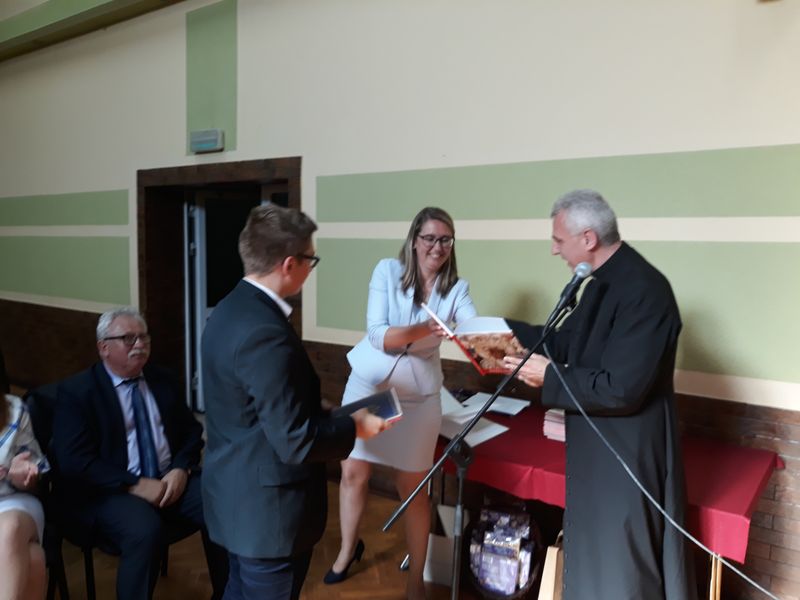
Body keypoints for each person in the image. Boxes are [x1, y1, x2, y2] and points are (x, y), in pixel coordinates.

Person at [503, 189, 697, 600]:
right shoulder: (599, 285)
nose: (555, 250)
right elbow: (563, 343)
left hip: (627, 454)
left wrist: (549, 378)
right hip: (597, 449)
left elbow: (621, 388)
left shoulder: (646, 290)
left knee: (623, 568)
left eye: (559, 240)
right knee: (593, 561)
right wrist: (496, 330)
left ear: (588, 238)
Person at [200, 203, 389, 600]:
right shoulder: (265, 332)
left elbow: (254, 405)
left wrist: (319, 409)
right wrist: (357, 426)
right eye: (311, 260)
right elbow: (296, 442)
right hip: (267, 515)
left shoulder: (229, 309)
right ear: (289, 264)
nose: (311, 269)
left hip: (234, 497)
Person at [327, 207, 477, 599]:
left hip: (416, 400)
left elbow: (472, 326)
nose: (437, 247)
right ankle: (347, 551)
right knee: (354, 471)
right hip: (374, 391)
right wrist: (425, 329)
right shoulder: (387, 272)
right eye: (429, 238)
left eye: (445, 240)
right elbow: (378, 335)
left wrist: (487, 339)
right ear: (414, 240)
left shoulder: (456, 289)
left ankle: (415, 582)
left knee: (412, 488)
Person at [51, 307, 229, 600]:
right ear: (103, 347)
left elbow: (191, 432)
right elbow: (75, 462)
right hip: (110, 490)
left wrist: (181, 468)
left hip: (168, 478)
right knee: (144, 529)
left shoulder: (163, 379)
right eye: (128, 338)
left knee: (221, 500)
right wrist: (134, 484)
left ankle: (228, 593)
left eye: (144, 337)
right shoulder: (78, 393)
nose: (139, 344)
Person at [0, 393, 47, 600]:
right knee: (33, 558)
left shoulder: (13, 408)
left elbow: (36, 475)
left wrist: (22, 476)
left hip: (13, 499)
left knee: (11, 527)